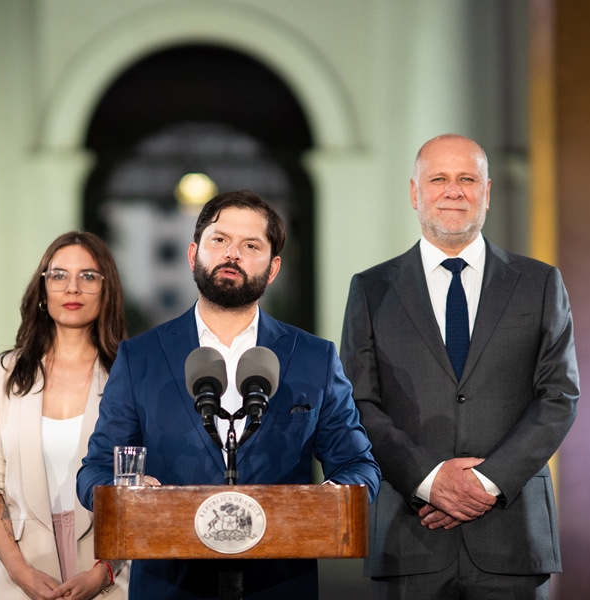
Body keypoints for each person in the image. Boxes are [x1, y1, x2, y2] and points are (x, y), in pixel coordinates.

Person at [76, 190, 381, 599]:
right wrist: (128, 493)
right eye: (219, 240)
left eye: (250, 245)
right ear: (192, 254)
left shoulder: (314, 358)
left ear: (273, 269)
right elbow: (94, 470)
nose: (231, 253)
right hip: (170, 585)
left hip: (278, 585)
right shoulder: (141, 357)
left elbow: (358, 465)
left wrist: (325, 500)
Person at [341, 135, 579, 599]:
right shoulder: (371, 289)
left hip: (512, 538)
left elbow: (559, 397)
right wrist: (430, 482)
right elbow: (357, 404)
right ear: (415, 193)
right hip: (411, 538)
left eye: (467, 179)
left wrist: (484, 485)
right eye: (439, 179)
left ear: (487, 192)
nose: (454, 190)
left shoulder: (540, 283)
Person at [0, 232, 129, 600]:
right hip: (19, 572)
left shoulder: (129, 376)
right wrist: (20, 571)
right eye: (58, 275)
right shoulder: (4, 373)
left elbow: (137, 490)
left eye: (88, 276)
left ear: (107, 291)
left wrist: (103, 571)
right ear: (43, 290)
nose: (72, 288)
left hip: (105, 574)